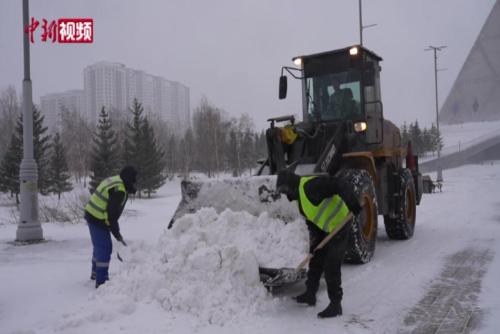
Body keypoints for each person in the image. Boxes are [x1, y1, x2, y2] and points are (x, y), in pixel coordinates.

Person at [276, 169, 361, 318]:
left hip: (341, 223)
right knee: (315, 259)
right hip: (326, 229)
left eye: (285, 191)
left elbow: (339, 184)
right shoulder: (301, 199)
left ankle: (336, 305)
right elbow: (313, 220)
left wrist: (353, 203)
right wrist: (315, 243)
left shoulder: (311, 186)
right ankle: (310, 294)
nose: (287, 196)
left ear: (291, 185)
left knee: (331, 264)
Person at [84, 166, 137, 288]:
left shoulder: (117, 180)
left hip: (93, 214)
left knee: (99, 245)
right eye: (133, 181)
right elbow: (111, 216)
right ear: (129, 180)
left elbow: (111, 214)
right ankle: (101, 281)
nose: (134, 183)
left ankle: (95, 273)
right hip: (97, 218)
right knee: (105, 247)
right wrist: (117, 234)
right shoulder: (119, 190)